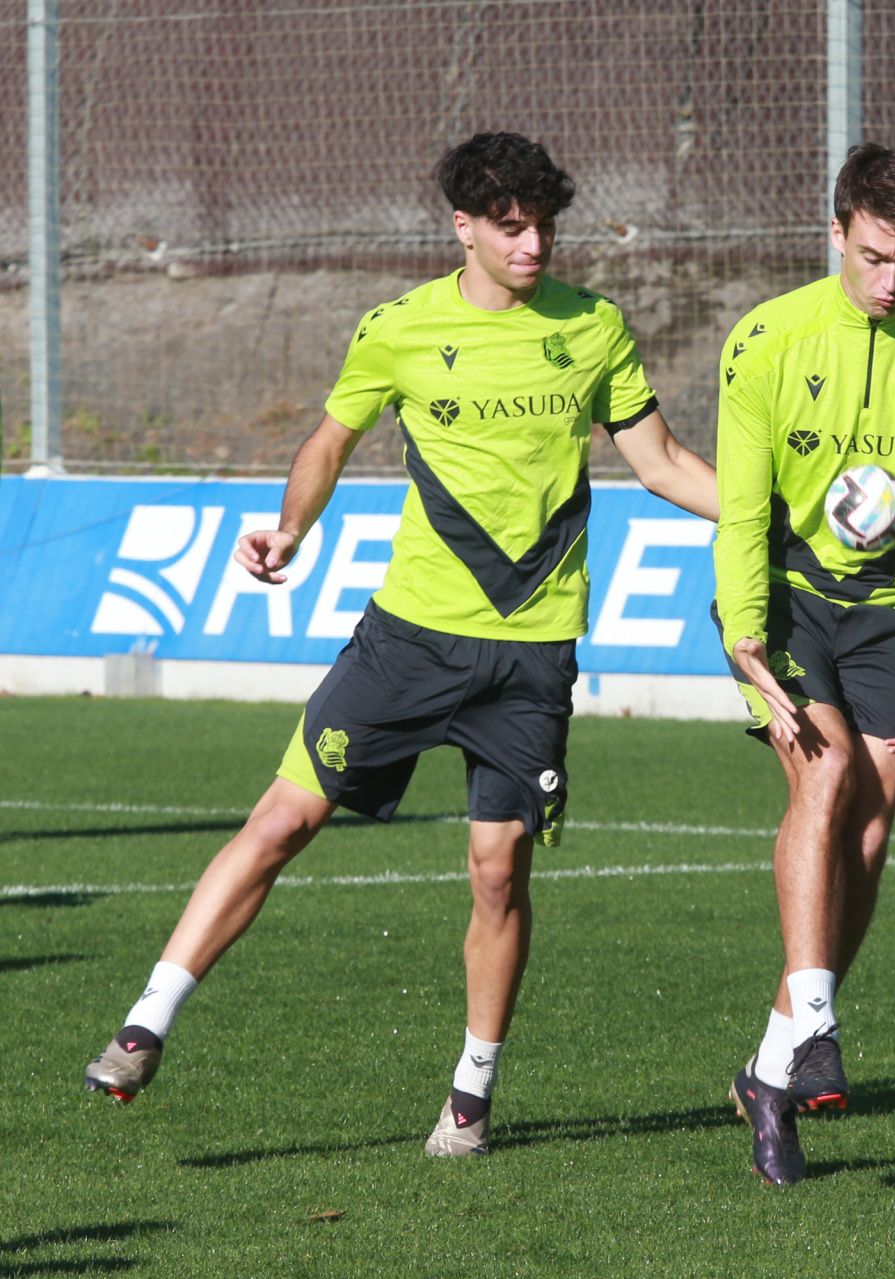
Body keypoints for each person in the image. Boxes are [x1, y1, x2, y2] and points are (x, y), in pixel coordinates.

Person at [81, 132, 720, 1158]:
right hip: (409, 640)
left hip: (531, 654)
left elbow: (663, 461)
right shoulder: (400, 329)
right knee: (284, 817)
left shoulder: (594, 329)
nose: (533, 245)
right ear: (462, 226)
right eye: (511, 228)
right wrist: (292, 524)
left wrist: (765, 521)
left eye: (544, 226)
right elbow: (329, 439)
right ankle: (146, 1021)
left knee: (498, 867)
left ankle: (470, 1095)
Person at [712, 143, 895, 1185]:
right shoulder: (767, 340)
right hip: (784, 596)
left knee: (871, 821)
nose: (891, 282)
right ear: (836, 229)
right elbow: (743, 509)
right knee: (826, 774)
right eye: (876, 257)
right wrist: (745, 632)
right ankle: (819, 1021)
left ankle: (771, 1064)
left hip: (889, 610)